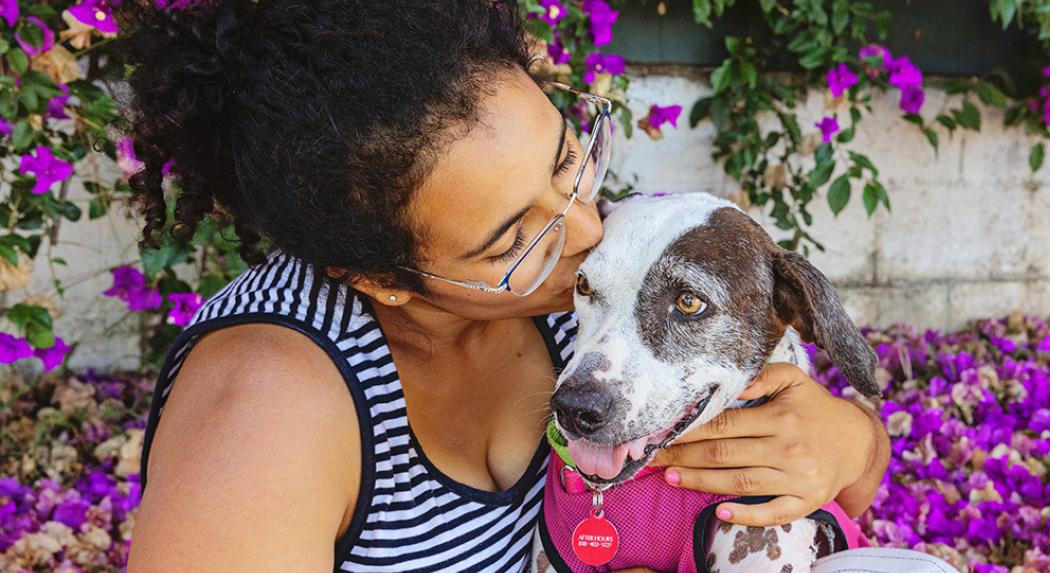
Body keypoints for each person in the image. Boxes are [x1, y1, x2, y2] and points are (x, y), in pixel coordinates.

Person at [118, 1, 895, 571]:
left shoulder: (600, 275)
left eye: (565, 158)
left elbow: (833, 499)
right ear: (381, 278)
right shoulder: (264, 411)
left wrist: (847, 445)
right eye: (516, 235)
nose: (589, 231)